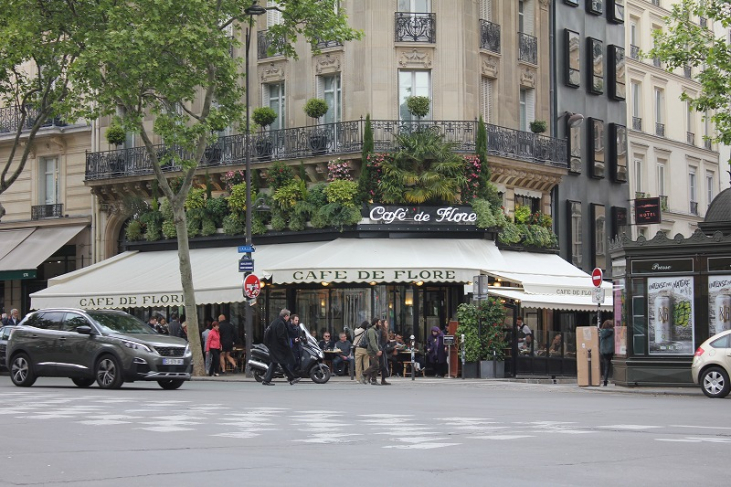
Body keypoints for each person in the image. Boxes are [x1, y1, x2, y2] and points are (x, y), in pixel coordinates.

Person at [262, 309, 300, 386]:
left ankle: (291, 378)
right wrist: (286, 344)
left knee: (280, 362)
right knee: (278, 362)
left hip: (274, 346)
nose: (288, 318)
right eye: (288, 317)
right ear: (285, 316)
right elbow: (280, 336)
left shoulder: (276, 321)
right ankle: (267, 380)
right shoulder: (280, 323)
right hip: (277, 347)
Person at [362, 318, 382, 385]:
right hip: (372, 350)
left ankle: (374, 380)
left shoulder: (375, 330)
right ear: (376, 323)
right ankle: (364, 374)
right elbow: (372, 342)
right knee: (375, 365)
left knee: (376, 366)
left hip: (374, 350)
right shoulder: (371, 331)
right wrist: (377, 350)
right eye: (379, 323)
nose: (380, 324)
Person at [600, 320, 615, 387]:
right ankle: (616, 379)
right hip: (611, 350)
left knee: (606, 366)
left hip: (604, 351)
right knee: (614, 365)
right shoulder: (612, 332)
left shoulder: (602, 332)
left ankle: (605, 381)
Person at [378, 319, 393, 385]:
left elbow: (384, 341)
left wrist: (389, 341)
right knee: (382, 365)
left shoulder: (384, 331)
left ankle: (383, 379)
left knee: (384, 365)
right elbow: (379, 341)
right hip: (381, 349)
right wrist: (380, 348)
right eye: (386, 323)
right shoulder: (381, 331)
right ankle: (369, 375)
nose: (387, 324)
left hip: (384, 349)